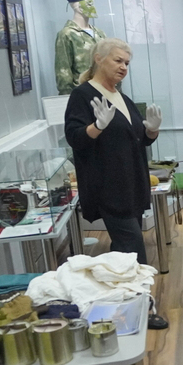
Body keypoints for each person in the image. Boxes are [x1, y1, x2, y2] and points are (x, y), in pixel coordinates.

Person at [63, 38, 169, 330]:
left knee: (125, 251)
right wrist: (96, 127)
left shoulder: (120, 95)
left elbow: (136, 138)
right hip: (108, 187)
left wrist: (152, 131)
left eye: (127, 63)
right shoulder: (83, 95)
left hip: (132, 184)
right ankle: (143, 308)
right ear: (99, 58)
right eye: (118, 60)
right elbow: (75, 138)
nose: (123, 67)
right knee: (133, 248)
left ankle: (124, 307)